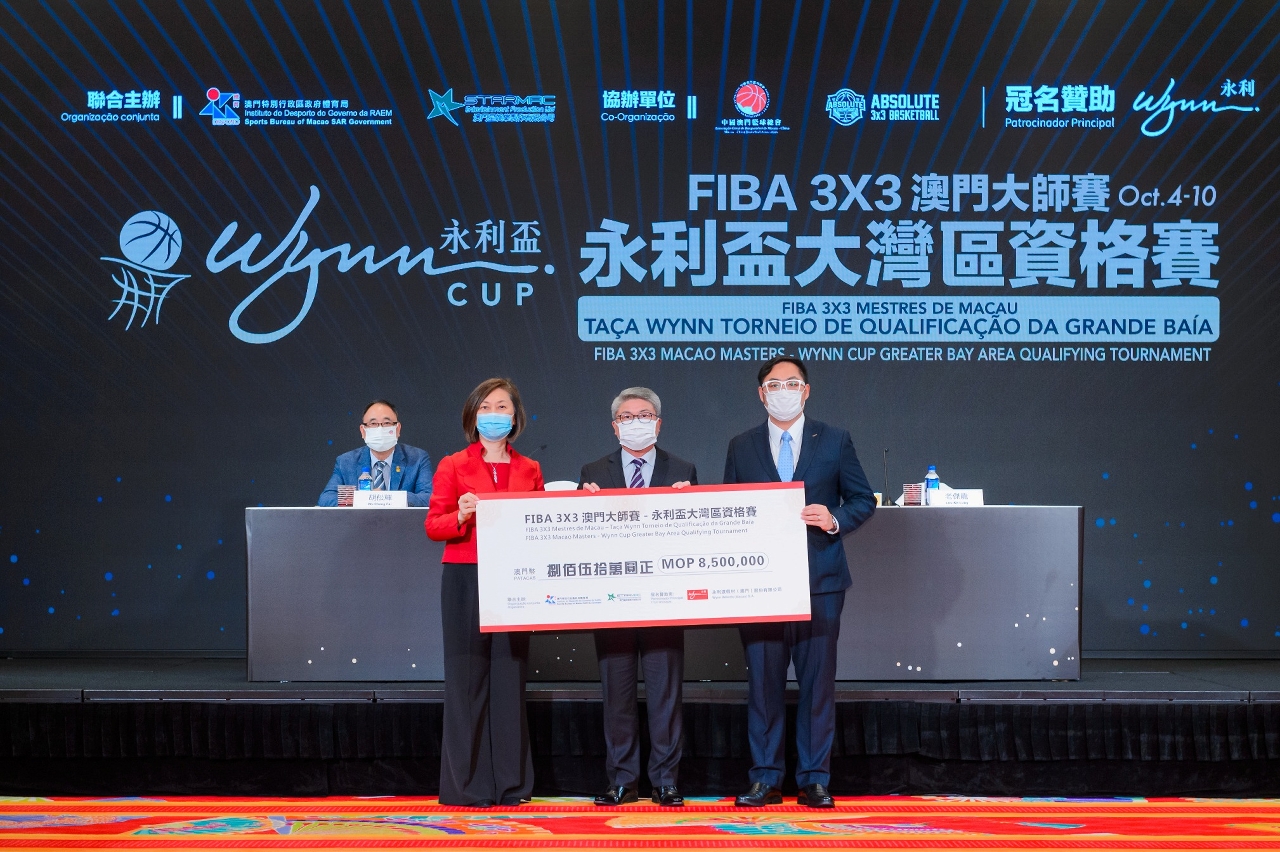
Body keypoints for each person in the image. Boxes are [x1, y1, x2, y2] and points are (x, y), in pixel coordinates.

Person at [723, 356, 876, 809]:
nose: (783, 391)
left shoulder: (835, 439)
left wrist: (833, 518)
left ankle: (814, 779)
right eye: (774, 384)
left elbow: (862, 499)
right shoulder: (741, 445)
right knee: (763, 684)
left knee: (817, 684)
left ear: (806, 391)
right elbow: (729, 509)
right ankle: (765, 778)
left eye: (792, 383)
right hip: (760, 584)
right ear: (761, 394)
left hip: (820, 580)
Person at [425, 378, 542, 807]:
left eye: (503, 407)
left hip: (513, 578)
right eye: (486, 407)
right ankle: (467, 786)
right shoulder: (453, 464)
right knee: (466, 680)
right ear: (474, 416)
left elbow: (540, 524)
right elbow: (433, 525)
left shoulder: (530, 468)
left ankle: (511, 785)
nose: (495, 414)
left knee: (509, 681)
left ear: (515, 416)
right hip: (465, 576)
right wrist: (460, 514)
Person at [579, 387, 697, 808]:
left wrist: (690, 504)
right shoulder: (594, 470)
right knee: (618, 694)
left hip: (664, 599)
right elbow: (578, 536)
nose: (636, 422)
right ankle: (623, 780)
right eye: (626, 417)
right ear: (615, 427)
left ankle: (666, 780)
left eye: (644, 415)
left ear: (658, 423)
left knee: (665, 694)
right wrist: (582, 506)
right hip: (613, 600)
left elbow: (698, 535)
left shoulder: (682, 469)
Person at [317, 400, 433, 506]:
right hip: (360, 522)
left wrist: (387, 498)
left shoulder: (417, 458)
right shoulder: (346, 462)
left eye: (386, 423)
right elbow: (326, 498)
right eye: (373, 424)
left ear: (397, 429)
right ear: (363, 431)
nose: (380, 429)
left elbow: (428, 498)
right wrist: (365, 499)